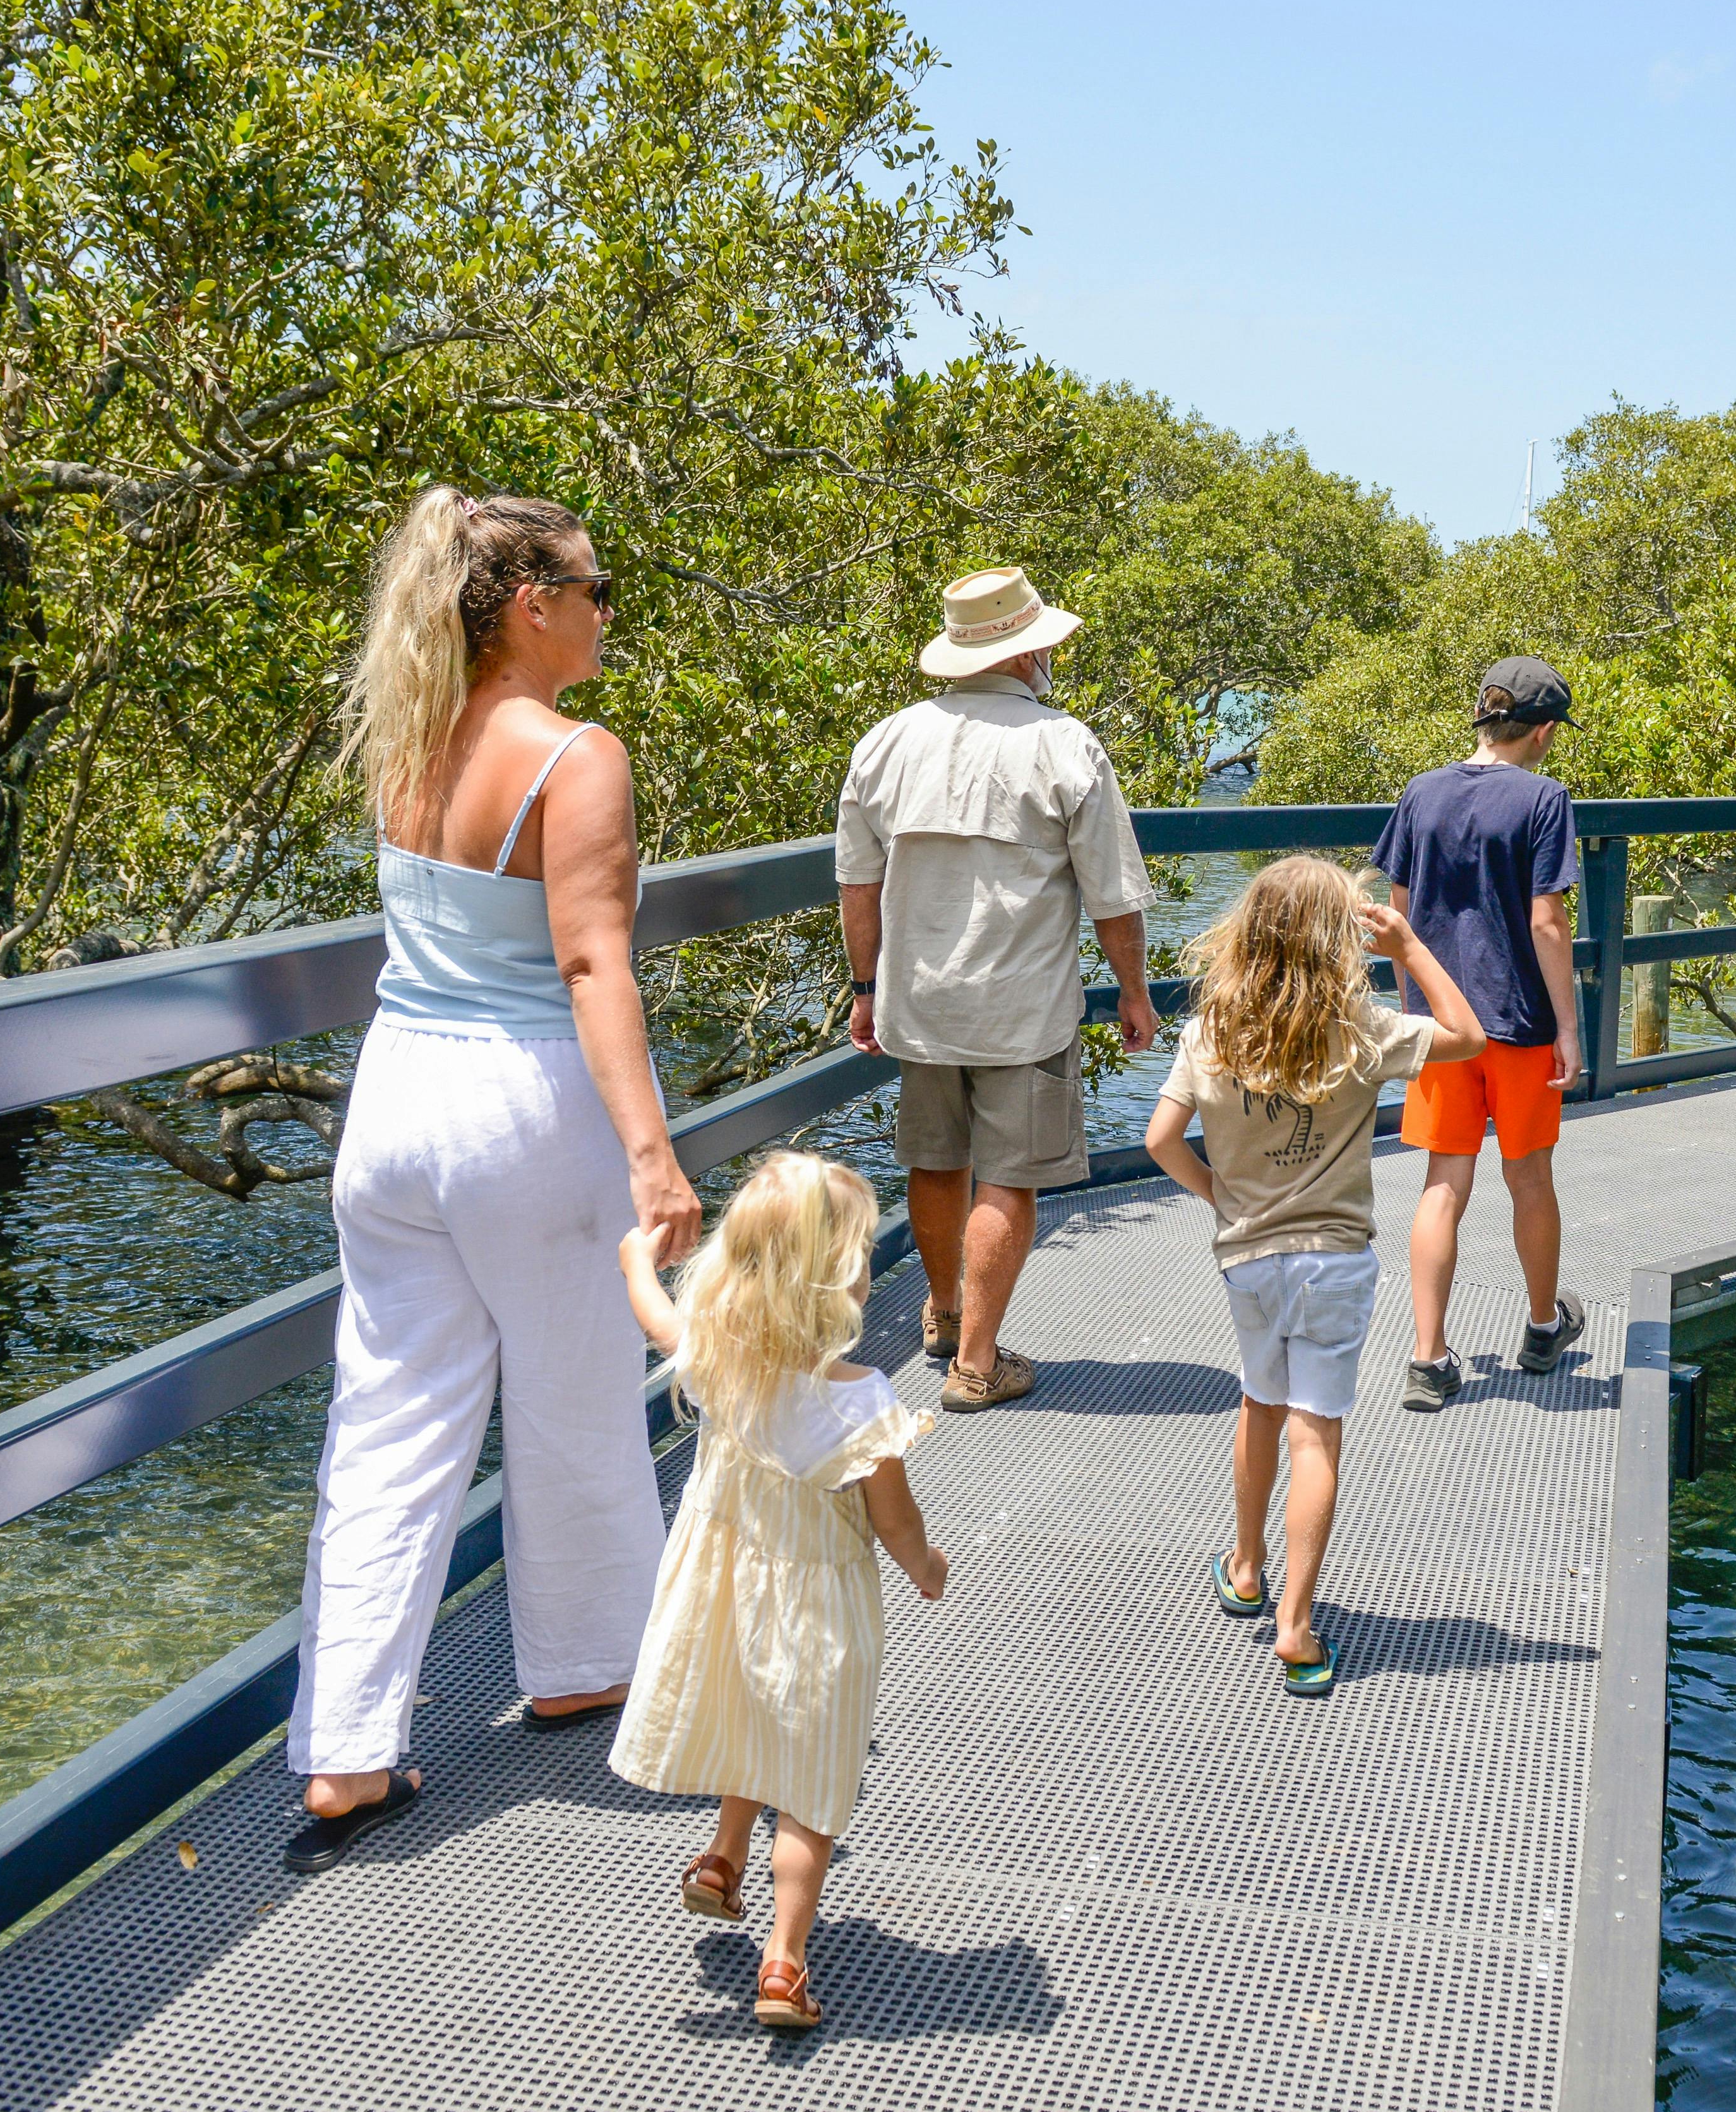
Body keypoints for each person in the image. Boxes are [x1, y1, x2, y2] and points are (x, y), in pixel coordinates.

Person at [278, 484, 707, 1875]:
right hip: (522, 1106)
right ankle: (594, 1670)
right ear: (531, 607)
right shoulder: (574, 757)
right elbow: (594, 965)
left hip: (395, 1100)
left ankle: (343, 1752)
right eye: (591, 591)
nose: (601, 615)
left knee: (389, 1425)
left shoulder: (406, 731)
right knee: (579, 1406)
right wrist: (654, 1155)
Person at [612, 1152, 945, 2034]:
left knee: (753, 1721)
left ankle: (721, 1862)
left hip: (723, 1589)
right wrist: (926, 1567)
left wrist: (635, 1262)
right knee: (808, 1777)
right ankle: (785, 1961)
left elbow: (655, 1316)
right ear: (837, 1274)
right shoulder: (861, 1400)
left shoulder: (717, 1357)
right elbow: (894, 1520)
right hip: (815, 1607)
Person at [1142, 858, 1483, 1695]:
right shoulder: (1361, 1028)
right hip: (1334, 1263)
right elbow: (1467, 1035)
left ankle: (1247, 1565)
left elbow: (1159, 1139)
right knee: (1315, 1433)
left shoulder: (1210, 1032)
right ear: (1338, 941)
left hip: (1247, 1259)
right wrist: (1408, 944)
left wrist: (1217, 1192)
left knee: (1260, 1401)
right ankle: (1295, 1625)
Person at [837, 566, 1156, 1412]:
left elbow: (857, 884)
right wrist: (1134, 990)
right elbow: (1112, 894)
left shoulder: (886, 740)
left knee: (935, 1161)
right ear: (1027, 654)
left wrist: (864, 987)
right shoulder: (1064, 743)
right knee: (1008, 1179)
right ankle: (975, 1362)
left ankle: (943, 1313)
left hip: (918, 1001)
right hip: (1021, 1008)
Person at [1372, 657, 1588, 1414]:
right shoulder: (1545, 799)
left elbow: (1396, 912)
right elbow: (1547, 922)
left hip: (1440, 1026)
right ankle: (1539, 1327)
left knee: (1442, 1185)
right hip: (1520, 1022)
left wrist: (1414, 1016)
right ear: (1546, 731)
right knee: (1530, 1178)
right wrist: (1569, 1025)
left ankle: (1428, 1359)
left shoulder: (1421, 792)